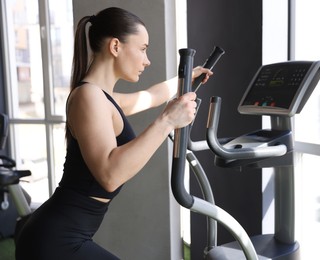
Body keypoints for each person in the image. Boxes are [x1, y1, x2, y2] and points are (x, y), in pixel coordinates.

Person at [15, 7, 212, 260]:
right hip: (54, 241)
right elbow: (109, 174)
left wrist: (186, 79)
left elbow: (150, 96)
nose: (147, 60)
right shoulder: (88, 97)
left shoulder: (102, 98)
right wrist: (167, 121)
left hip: (66, 235)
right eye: (142, 49)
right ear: (116, 46)